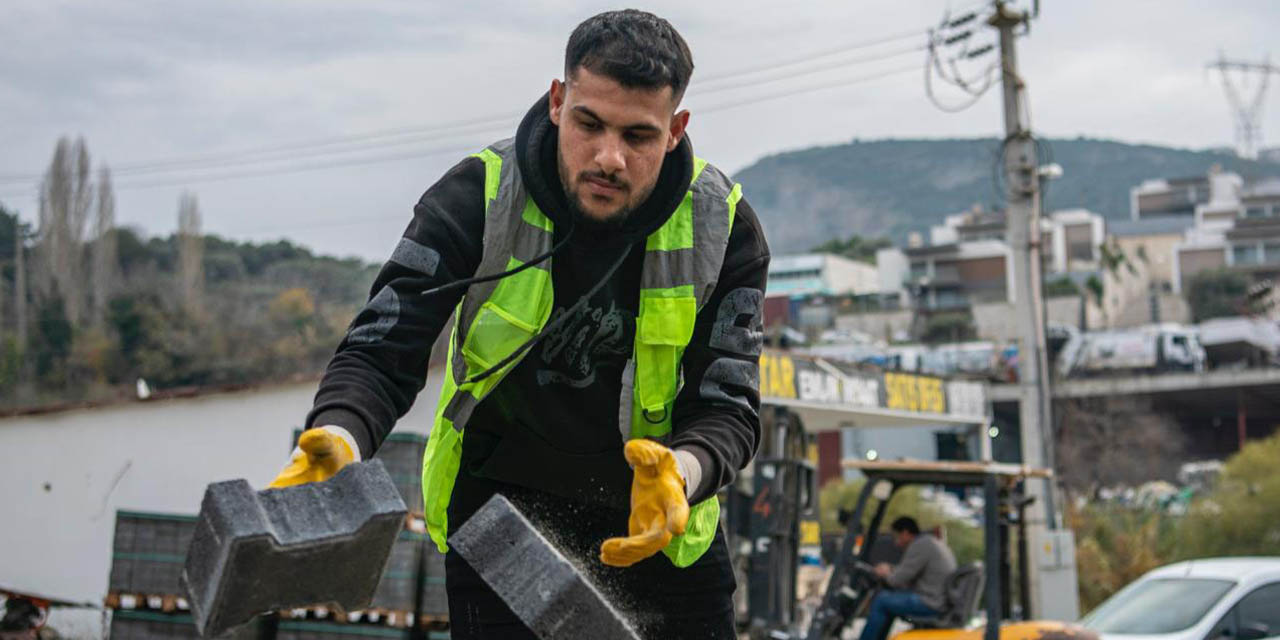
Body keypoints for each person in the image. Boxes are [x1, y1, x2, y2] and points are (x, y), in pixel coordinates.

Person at [268, 9, 769, 640]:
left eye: (638, 136)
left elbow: (730, 408)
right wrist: (340, 435)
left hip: (655, 529)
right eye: (590, 123)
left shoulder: (723, 228)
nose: (609, 158)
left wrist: (682, 473)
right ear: (558, 102)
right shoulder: (478, 194)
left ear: (675, 131)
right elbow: (384, 346)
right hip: (499, 517)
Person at [859, 516, 958, 640]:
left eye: (896, 536)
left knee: (881, 601)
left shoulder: (921, 545)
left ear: (905, 533)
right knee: (888, 602)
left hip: (930, 602)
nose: (895, 542)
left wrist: (884, 572)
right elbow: (909, 571)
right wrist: (891, 569)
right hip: (938, 599)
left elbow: (896, 580)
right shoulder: (930, 542)